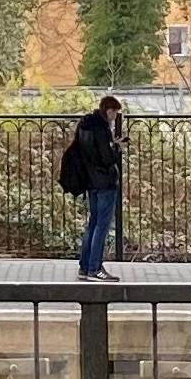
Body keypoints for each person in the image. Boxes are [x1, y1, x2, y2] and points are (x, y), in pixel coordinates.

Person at [62, 95, 124, 281]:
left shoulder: (84, 125)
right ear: (110, 110)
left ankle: (84, 266)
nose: (115, 117)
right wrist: (117, 148)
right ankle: (95, 268)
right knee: (101, 226)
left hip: (90, 181)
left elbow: (86, 152)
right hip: (105, 182)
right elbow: (106, 158)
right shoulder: (101, 128)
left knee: (93, 224)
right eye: (115, 113)